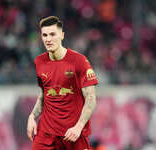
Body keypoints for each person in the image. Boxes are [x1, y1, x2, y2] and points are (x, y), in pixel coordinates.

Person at [27, 16, 98, 150]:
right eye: (45, 35)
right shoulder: (39, 62)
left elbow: (91, 98)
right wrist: (32, 116)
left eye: (53, 34)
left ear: (62, 35)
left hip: (73, 134)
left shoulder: (79, 61)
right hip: (46, 134)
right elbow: (44, 95)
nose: (48, 39)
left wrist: (78, 127)